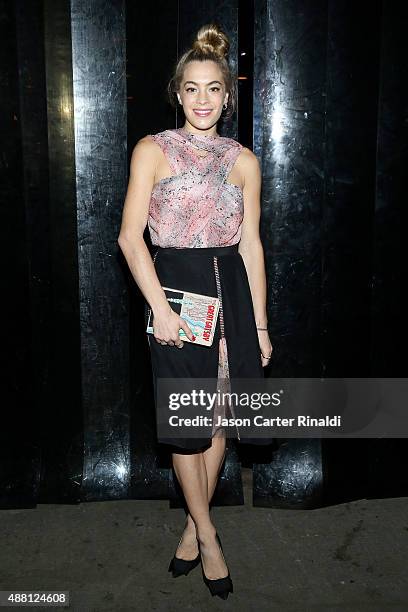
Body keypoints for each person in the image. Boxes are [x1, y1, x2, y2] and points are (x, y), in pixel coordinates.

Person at [118, 23, 273, 600]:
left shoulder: (243, 161)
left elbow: (251, 244)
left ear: (227, 97)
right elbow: (131, 239)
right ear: (177, 93)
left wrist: (259, 324)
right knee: (187, 425)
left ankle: (190, 525)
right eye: (192, 89)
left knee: (214, 422)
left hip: (229, 293)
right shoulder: (153, 150)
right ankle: (210, 536)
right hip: (176, 293)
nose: (202, 99)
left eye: (213, 89)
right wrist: (159, 307)